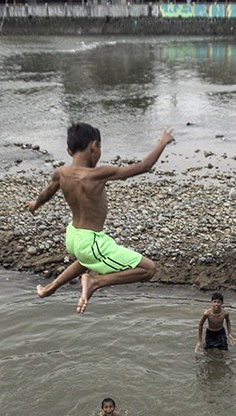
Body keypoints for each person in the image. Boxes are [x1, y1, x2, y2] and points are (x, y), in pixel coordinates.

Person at [25, 123, 175, 313]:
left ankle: (49, 288)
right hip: (91, 240)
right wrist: (162, 143)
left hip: (73, 236)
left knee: (86, 260)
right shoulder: (97, 175)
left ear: (69, 150)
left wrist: (34, 205)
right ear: (94, 146)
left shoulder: (61, 174)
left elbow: (47, 193)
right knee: (148, 269)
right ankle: (95, 282)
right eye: (100, 148)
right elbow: (144, 167)